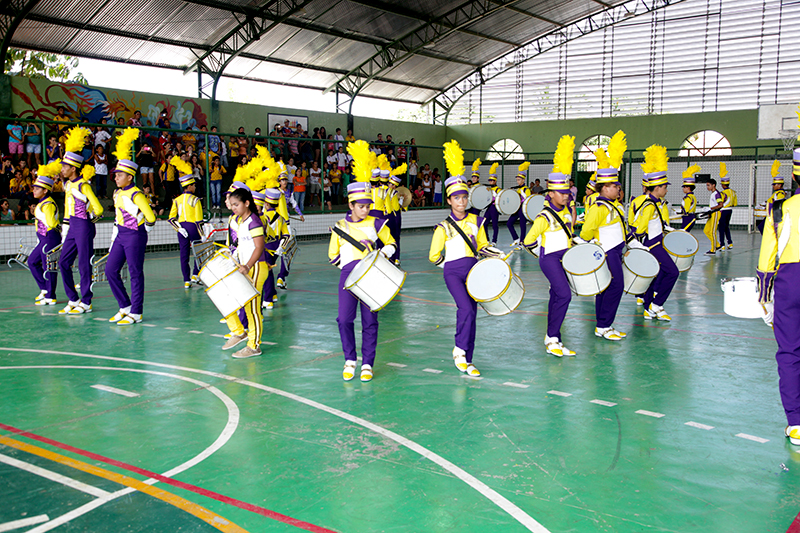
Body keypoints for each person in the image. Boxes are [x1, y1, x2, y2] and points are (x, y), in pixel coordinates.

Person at [429, 140, 504, 376]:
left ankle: (468, 359)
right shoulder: (443, 227)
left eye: (464, 197)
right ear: (449, 201)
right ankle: (459, 351)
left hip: (474, 272)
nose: (461, 201)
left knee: (473, 312)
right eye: (456, 198)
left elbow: (482, 246)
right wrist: (447, 264)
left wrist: (496, 253)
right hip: (452, 273)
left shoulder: (477, 221)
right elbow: (433, 256)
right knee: (466, 309)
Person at [329, 140, 396, 382]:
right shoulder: (340, 226)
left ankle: (368, 362)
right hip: (348, 276)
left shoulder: (376, 223)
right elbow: (333, 256)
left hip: (372, 276)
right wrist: (349, 267)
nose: (366, 209)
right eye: (361, 206)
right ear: (351, 204)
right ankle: (350, 358)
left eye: (368, 205)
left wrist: (378, 256)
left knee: (370, 320)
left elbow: (391, 244)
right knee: (344, 319)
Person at [756, 146, 800, 449]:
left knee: (789, 352)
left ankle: (796, 423)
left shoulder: (780, 210)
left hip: (790, 283)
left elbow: (766, 261)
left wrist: (764, 298)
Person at [578, 130, 638, 341]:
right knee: (615, 286)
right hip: (605, 252)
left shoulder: (614, 206)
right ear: (604, 188)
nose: (618, 189)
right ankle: (604, 324)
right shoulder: (600, 207)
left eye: (618, 186)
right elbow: (586, 231)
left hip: (615, 250)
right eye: (614, 186)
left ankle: (603, 325)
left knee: (605, 287)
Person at [523, 136, 578, 356]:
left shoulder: (565, 211)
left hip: (563, 257)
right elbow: (528, 241)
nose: (566, 196)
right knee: (565, 295)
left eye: (568, 193)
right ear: (551, 193)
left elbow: (568, 233)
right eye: (562, 193)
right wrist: (542, 256)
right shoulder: (544, 217)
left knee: (558, 295)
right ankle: (552, 336)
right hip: (550, 259)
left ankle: (553, 338)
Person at [105, 128, 156, 325]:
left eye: (118, 175)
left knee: (135, 272)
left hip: (135, 235)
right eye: (115, 175)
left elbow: (150, 216)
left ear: (129, 176)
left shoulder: (136, 194)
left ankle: (136, 311)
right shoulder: (118, 194)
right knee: (110, 270)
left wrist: (146, 228)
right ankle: (124, 306)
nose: (115, 178)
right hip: (121, 235)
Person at [220, 186, 270, 359]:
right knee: (228, 298)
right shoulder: (240, 220)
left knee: (252, 309)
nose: (233, 208)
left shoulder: (254, 221)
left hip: (255, 268)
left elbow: (259, 247)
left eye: (236, 204)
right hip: (245, 267)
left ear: (246, 203)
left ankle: (254, 346)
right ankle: (238, 332)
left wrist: (248, 265)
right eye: (232, 204)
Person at [58, 126, 103, 315]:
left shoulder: (83, 185)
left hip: (83, 226)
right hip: (72, 226)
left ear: (73, 168)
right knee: (62, 262)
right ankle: (73, 299)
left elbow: (99, 209)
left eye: (64, 167)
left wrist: (88, 217)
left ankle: (86, 301)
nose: (62, 169)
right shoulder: (69, 184)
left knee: (85, 264)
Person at [632, 144, 679, 322]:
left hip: (657, 242)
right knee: (673, 272)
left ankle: (647, 307)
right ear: (657, 187)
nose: (666, 189)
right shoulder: (649, 205)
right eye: (664, 186)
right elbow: (639, 227)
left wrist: (665, 228)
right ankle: (657, 304)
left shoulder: (657, 203)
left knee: (655, 276)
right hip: (653, 245)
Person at [28, 161, 62, 305]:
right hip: (44, 238)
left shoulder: (47, 204)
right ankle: (45, 289)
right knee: (32, 261)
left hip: (50, 237)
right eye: (34, 188)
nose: (34, 190)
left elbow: (52, 223)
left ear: (45, 190)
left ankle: (51, 295)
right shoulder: (43, 203)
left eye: (38, 188)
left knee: (49, 266)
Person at [168, 156, 203, 289]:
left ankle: (186, 280)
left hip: (182, 227)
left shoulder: (176, 200)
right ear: (189, 186)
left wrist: (178, 228)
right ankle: (195, 274)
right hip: (193, 227)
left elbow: (171, 218)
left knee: (184, 255)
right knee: (199, 252)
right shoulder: (196, 200)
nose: (195, 187)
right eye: (193, 185)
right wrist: (202, 234)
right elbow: (199, 220)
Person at [276, 163, 304, 290]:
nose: (284, 182)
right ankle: (280, 277)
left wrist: (300, 214)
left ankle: (281, 277)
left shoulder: (289, 193)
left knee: (285, 251)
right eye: (282, 180)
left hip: (286, 224)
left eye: (286, 179)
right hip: (276, 225)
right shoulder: (275, 193)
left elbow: (294, 204)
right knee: (280, 250)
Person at [756, 160, 787, 234]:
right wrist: (762, 205)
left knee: (764, 228)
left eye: (774, 184)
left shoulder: (780, 194)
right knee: (762, 227)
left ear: (779, 185)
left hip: (774, 215)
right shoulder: (776, 193)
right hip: (771, 213)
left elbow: (778, 204)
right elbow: (770, 200)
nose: (773, 186)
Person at [508, 161, 531, 246]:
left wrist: (524, 196)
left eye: (519, 180)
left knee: (522, 225)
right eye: (517, 180)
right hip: (517, 209)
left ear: (523, 180)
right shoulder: (518, 189)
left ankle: (522, 242)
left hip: (522, 209)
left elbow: (528, 200)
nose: (517, 181)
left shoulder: (526, 189)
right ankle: (516, 239)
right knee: (509, 223)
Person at [702, 178, 724, 255]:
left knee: (712, 232)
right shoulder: (713, 194)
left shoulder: (716, 194)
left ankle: (713, 249)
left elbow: (721, 205)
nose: (707, 187)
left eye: (708, 185)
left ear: (713, 185)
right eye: (707, 185)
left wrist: (710, 208)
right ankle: (717, 245)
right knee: (706, 230)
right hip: (712, 213)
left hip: (716, 213)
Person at [719, 165, 737, 250]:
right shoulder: (733, 192)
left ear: (723, 184)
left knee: (721, 228)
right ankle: (730, 243)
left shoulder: (722, 193)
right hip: (730, 210)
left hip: (723, 211)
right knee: (726, 227)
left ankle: (722, 245)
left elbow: (720, 203)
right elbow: (735, 203)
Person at [676, 166, 699, 231]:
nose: (683, 189)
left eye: (684, 187)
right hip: (692, 217)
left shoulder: (687, 198)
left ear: (688, 188)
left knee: (683, 233)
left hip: (687, 217)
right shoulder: (693, 196)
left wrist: (680, 213)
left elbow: (686, 210)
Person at [484, 166, 501, 245]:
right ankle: (487, 239)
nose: (490, 182)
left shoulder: (498, 189)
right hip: (489, 207)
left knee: (495, 225)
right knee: (484, 223)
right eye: (489, 180)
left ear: (495, 181)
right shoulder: (489, 189)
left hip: (495, 208)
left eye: (492, 180)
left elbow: (499, 198)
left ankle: (494, 241)